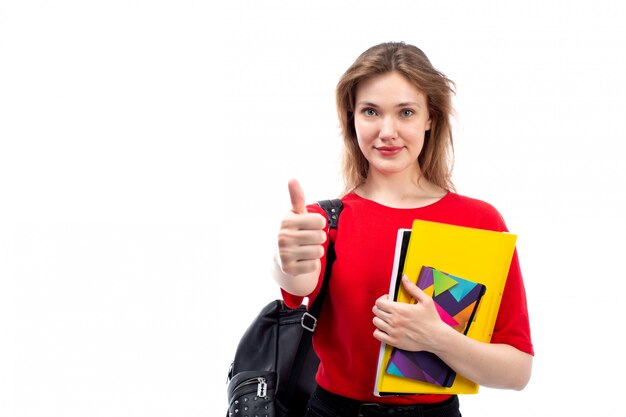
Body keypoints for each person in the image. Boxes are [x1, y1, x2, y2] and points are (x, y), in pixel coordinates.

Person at [273, 41, 533, 417]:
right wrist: (285, 261)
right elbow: (295, 284)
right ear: (352, 118)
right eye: (371, 112)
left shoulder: (480, 222)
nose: (387, 131)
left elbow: (517, 371)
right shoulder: (323, 220)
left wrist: (439, 338)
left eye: (406, 112)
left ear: (430, 117)